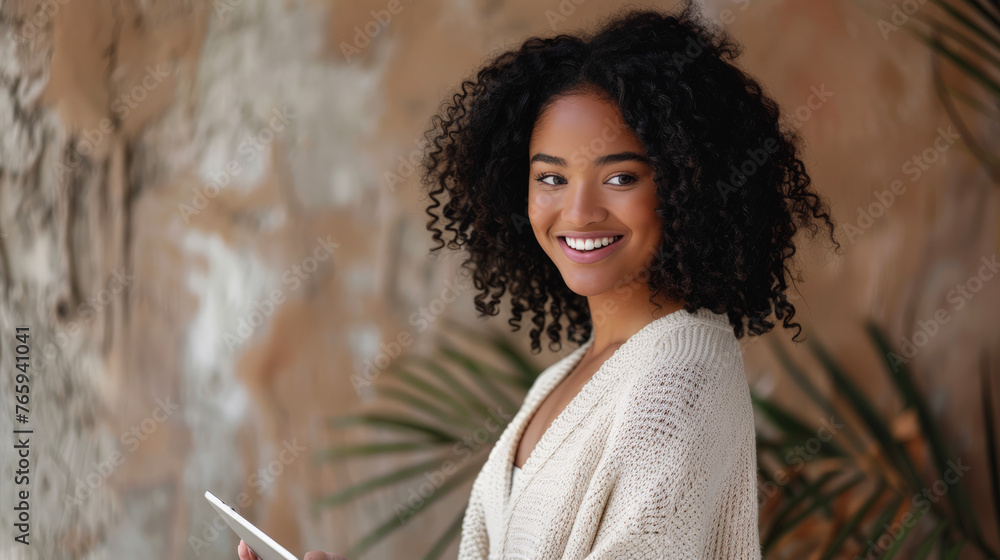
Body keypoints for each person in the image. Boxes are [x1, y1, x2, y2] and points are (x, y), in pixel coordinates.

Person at [241, 1, 839, 558]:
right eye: (551, 178)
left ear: (689, 185)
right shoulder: (571, 373)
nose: (577, 212)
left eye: (621, 177)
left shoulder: (678, 374)